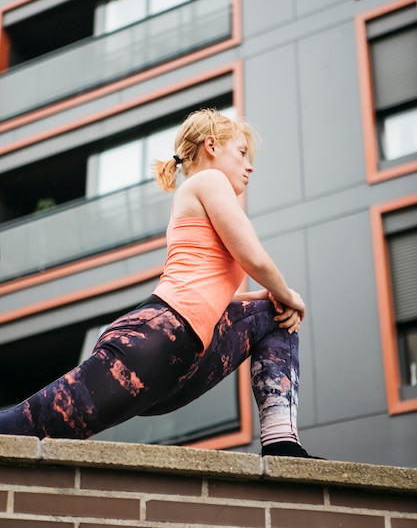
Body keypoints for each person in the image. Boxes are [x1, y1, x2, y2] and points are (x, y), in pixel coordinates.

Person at [0, 108, 318, 459]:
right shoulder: (208, 182)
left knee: (275, 315)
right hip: (153, 342)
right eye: (242, 153)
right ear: (211, 145)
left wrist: (271, 297)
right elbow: (253, 257)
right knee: (25, 426)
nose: (250, 166)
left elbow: (199, 294)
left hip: (181, 358)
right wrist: (288, 294)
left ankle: (281, 443)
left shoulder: (197, 197)